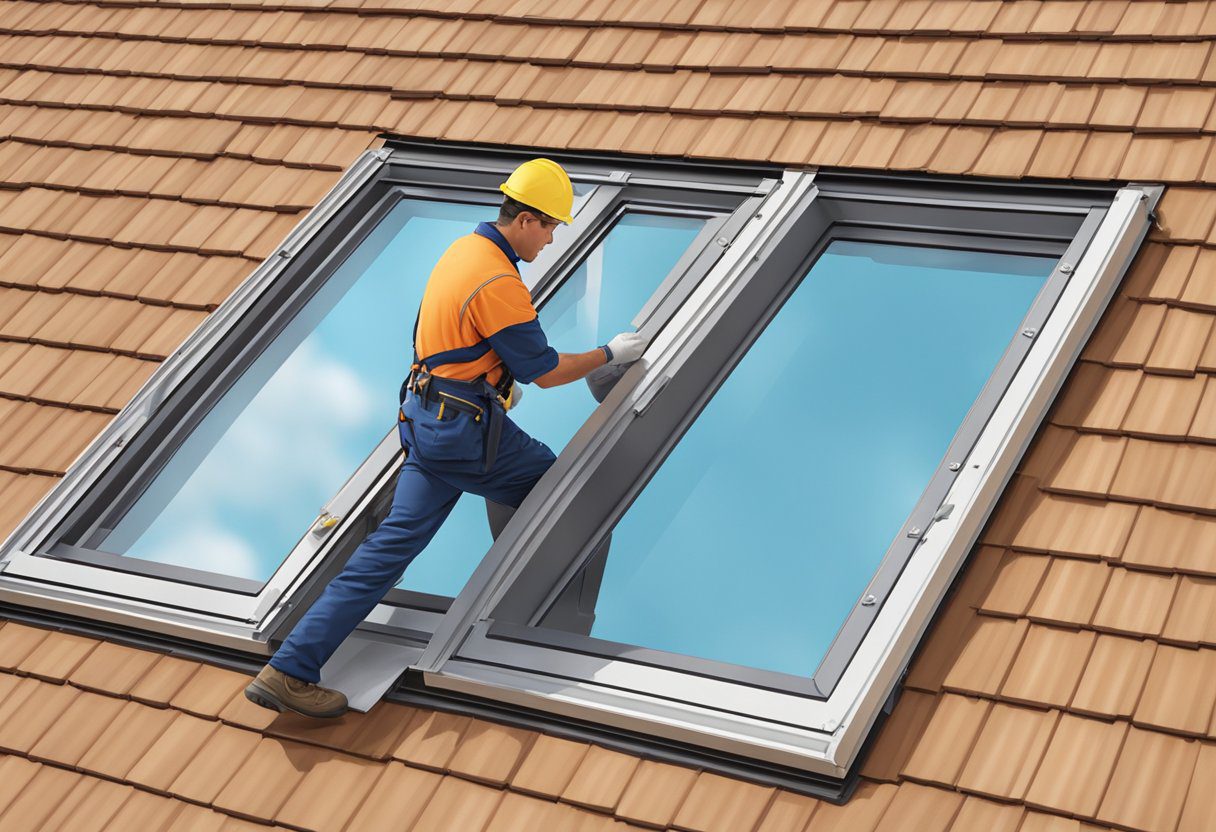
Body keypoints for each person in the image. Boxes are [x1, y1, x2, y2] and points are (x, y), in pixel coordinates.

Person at [244, 158, 647, 717]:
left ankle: (288, 669)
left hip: (425, 419)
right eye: (551, 226)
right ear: (525, 219)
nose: (553, 240)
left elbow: (448, 342)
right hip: (462, 434)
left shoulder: (463, 253)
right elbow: (546, 369)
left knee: (385, 551)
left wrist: (493, 383)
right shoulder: (499, 280)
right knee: (559, 486)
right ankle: (529, 631)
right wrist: (610, 355)